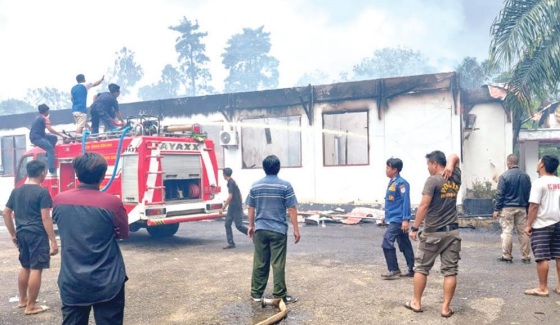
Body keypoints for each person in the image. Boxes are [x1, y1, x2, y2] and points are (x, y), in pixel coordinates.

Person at [52, 152, 129, 324]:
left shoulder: (59, 200)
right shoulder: (112, 203)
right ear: (103, 175)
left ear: (76, 174)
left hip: (72, 280)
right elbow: (123, 233)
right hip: (108, 280)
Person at [405, 151, 461, 318]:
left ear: (435, 164)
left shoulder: (432, 180)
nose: (428, 168)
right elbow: (455, 156)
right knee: (450, 271)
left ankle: (416, 302)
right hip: (452, 232)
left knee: (421, 268)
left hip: (433, 232)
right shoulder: (455, 177)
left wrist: (414, 228)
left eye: (428, 164)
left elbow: (423, 205)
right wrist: (451, 165)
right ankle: (445, 308)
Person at [2, 159, 58, 315]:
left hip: (22, 233)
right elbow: (45, 218)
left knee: (25, 266)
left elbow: (6, 212)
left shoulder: (16, 191)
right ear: (43, 173)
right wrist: (53, 240)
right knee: (36, 268)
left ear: (27, 173)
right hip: (37, 234)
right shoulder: (42, 192)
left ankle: (23, 300)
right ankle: (31, 306)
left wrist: (13, 233)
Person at [247, 155, 301, 304]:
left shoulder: (255, 186)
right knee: (277, 263)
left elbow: (251, 207)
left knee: (260, 262)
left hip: (261, 230)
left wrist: (251, 226)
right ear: (278, 168)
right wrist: (296, 229)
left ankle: (256, 294)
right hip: (278, 231)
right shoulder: (285, 186)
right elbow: (291, 208)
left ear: (264, 168)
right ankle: (279, 295)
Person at [523, 154, 560, 297]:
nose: (537, 163)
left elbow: (533, 206)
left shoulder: (538, 183)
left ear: (542, 165)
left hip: (542, 224)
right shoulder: (559, 181)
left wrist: (528, 225)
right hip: (558, 222)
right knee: (559, 255)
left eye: (539, 161)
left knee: (542, 256)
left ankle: (543, 288)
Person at [493, 154, 532, 264]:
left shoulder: (504, 176)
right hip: (522, 207)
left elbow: (500, 194)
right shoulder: (526, 176)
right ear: (517, 162)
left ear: (508, 163)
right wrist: (528, 209)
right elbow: (529, 194)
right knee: (523, 232)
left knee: (507, 231)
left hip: (507, 208)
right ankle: (526, 256)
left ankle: (507, 256)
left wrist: (497, 209)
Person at [380, 158, 415, 279]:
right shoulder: (393, 182)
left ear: (394, 169)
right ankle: (412, 269)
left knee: (387, 242)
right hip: (394, 217)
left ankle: (394, 269)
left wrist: (405, 219)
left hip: (398, 219)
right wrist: (386, 215)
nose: (386, 170)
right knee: (404, 243)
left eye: (388, 168)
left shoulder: (401, 183)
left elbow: (405, 202)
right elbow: (394, 202)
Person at [29, 104, 68, 174]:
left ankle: (48, 155)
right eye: (48, 111)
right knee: (50, 149)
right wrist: (61, 135)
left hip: (38, 136)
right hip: (37, 138)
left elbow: (38, 130)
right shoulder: (44, 118)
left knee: (53, 138)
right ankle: (52, 169)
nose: (48, 112)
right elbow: (50, 130)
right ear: (46, 111)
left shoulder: (37, 118)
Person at [220, 167, 248, 249]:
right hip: (232, 206)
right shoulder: (231, 182)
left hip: (236, 207)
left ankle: (254, 235)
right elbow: (239, 194)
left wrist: (223, 207)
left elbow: (230, 196)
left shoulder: (231, 183)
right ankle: (231, 243)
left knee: (239, 226)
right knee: (227, 224)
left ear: (224, 175)